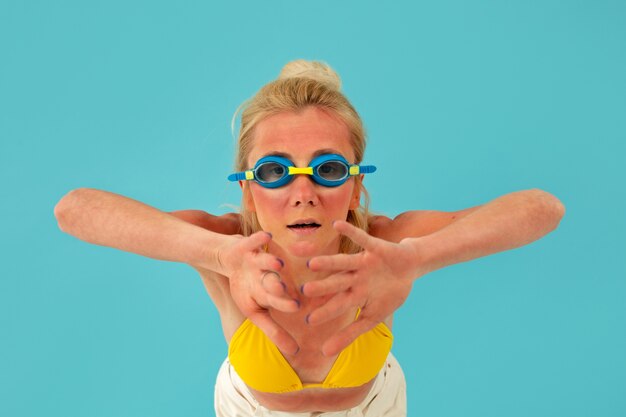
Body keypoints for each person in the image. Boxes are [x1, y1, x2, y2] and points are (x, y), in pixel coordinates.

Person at [54, 60, 566, 416]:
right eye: (275, 171)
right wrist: (214, 253)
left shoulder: (384, 244)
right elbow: (74, 210)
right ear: (249, 190)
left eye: (327, 168)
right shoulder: (226, 244)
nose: (303, 193)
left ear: (356, 183)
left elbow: (543, 208)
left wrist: (416, 257)